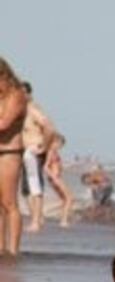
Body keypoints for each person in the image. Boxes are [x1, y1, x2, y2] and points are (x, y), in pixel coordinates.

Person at [20, 82, 56, 233]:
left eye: (22, 93)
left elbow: (49, 128)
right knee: (26, 189)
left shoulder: (32, 109)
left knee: (34, 187)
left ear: (28, 94)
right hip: (24, 152)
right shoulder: (21, 111)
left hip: (33, 151)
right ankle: (36, 218)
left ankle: (36, 221)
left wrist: (43, 146)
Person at [0, 58, 28, 256]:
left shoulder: (16, 95)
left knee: (10, 203)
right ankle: (0, 248)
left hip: (9, 152)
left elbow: (4, 124)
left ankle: (14, 249)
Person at [44, 132, 75, 227]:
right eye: (59, 144)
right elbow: (45, 167)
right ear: (54, 142)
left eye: (62, 145)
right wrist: (53, 176)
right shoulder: (50, 152)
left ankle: (63, 218)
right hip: (55, 178)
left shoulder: (54, 152)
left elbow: (56, 165)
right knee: (70, 198)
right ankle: (64, 221)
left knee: (65, 199)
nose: (60, 146)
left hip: (56, 177)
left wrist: (68, 166)